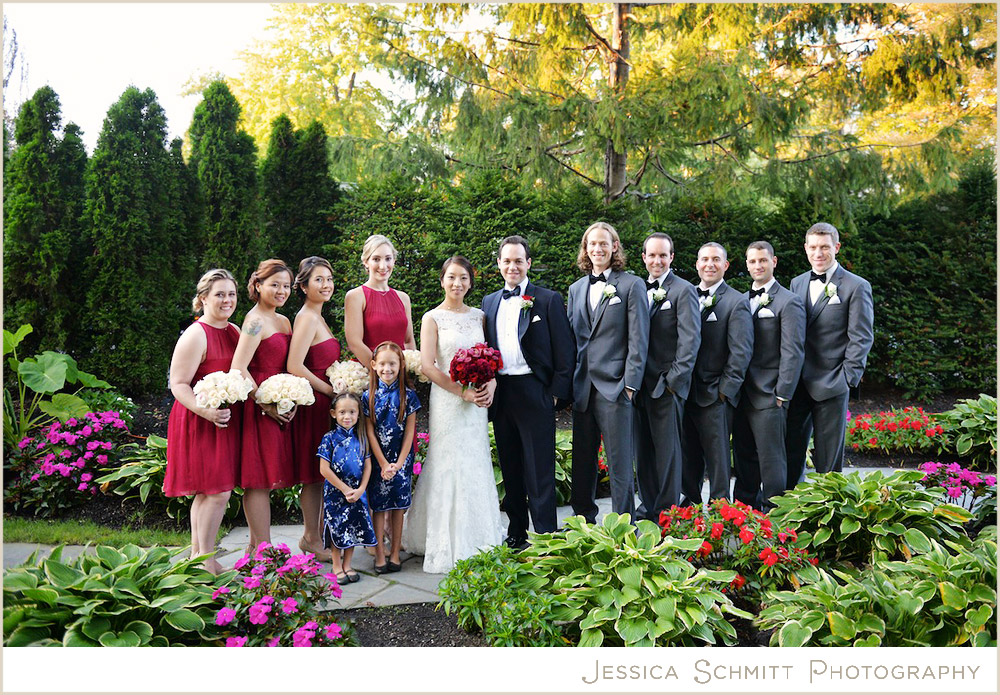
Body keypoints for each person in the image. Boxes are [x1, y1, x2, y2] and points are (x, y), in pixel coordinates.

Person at [402, 256, 503, 573]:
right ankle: (443, 541)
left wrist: (491, 385)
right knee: (447, 463)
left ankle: (479, 536)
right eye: (451, 277)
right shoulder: (432, 318)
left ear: (470, 282)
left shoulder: (480, 317)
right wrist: (462, 391)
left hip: (476, 405)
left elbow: (489, 359)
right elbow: (429, 365)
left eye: (463, 278)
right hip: (448, 400)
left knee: (475, 460)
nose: (457, 284)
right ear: (442, 280)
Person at [481, 235, 575, 548]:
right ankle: (517, 531)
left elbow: (565, 349)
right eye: (506, 261)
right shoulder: (490, 301)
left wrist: (555, 394)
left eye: (518, 260)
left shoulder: (546, 299)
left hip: (535, 389)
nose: (512, 266)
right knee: (510, 465)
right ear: (498, 264)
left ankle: (546, 532)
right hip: (502, 390)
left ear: (528, 263)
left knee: (540, 467)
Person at [567, 222, 649, 522]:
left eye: (604, 243)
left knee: (619, 463)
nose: (598, 249)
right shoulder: (575, 290)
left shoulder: (631, 285)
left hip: (616, 388)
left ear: (615, 246)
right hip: (583, 388)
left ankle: (623, 524)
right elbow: (573, 340)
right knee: (582, 462)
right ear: (586, 249)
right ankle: (583, 522)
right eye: (592, 244)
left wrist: (630, 385)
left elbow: (639, 339)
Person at [165, 269, 241, 574]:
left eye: (231, 294)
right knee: (217, 491)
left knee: (210, 492)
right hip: (199, 420)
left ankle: (198, 557)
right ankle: (205, 560)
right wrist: (205, 411)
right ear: (203, 298)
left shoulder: (234, 330)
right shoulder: (196, 334)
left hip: (222, 421)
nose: (227, 300)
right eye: (219, 294)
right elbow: (178, 383)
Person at [785, 223, 874, 481]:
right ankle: (791, 510)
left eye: (824, 247)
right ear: (805, 249)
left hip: (832, 381)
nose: (818, 253)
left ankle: (826, 515)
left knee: (828, 462)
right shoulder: (797, 283)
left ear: (836, 247)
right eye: (813, 247)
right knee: (791, 451)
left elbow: (861, 336)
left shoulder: (856, 286)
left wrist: (847, 378)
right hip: (798, 382)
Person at [731, 241, 806, 511]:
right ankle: (742, 515)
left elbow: (793, 351)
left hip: (770, 395)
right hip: (740, 394)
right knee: (743, 459)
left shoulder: (789, 301)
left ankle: (774, 518)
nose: (757, 266)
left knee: (772, 461)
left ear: (773, 262)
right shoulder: (739, 300)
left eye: (762, 260)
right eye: (752, 261)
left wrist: (782, 393)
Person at [633, 233, 701, 520]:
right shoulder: (635, 287)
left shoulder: (683, 290)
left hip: (666, 385)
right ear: (644, 257)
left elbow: (690, 340)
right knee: (643, 451)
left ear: (671, 257)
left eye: (663, 255)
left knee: (668, 453)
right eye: (652, 255)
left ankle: (667, 511)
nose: (657, 260)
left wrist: (674, 381)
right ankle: (648, 505)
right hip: (637, 385)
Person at [231, 259, 296, 552]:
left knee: (267, 476)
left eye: (286, 286)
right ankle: (264, 548)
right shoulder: (255, 321)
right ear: (258, 286)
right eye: (275, 285)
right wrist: (265, 403)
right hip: (258, 405)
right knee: (257, 479)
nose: (282, 291)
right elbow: (239, 367)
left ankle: (255, 549)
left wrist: (291, 396)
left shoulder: (283, 320)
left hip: (278, 402)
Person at [680, 242, 753, 504]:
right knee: (688, 455)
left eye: (716, 260)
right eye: (704, 259)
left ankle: (721, 511)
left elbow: (741, 353)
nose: (709, 264)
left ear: (725, 265)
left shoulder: (736, 302)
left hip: (715, 395)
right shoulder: (685, 295)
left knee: (718, 459)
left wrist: (724, 392)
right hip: (686, 392)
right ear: (697, 264)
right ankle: (688, 509)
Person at [287, 256, 341, 563]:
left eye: (329, 279)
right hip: (316, 404)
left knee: (321, 475)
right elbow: (295, 365)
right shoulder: (307, 317)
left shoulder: (318, 316)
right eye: (318, 279)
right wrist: (329, 390)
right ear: (304, 285)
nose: (326, 285)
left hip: (326, 403)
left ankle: (316, 534)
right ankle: (310, 536)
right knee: (313, 475)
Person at [362, 341, 421, 572]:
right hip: (378, 462)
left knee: (398, 507)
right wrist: (384, 463)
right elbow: (369, 432)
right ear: (374, 365)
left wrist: (398, 463)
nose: (388, 369)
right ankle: (379, 554)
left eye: (393, 364)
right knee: (379, 507)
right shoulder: (368, 397)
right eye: (383, 364)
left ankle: (395, 554)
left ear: (401, 365)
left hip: (401, 461)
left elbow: (409, 433)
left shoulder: (409, 397)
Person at [318, 392, 376, 583]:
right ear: (334, 413)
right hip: (336, 493)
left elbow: (368, 466)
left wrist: (361, 489)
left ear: (358, 414)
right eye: (342, 412)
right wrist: (344, 489)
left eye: (352, 412)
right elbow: (324, 469)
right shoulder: (330, 439)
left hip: (357, 493)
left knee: (352, 526)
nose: (347, 416)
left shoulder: (362, 438)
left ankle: (348, 564)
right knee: (338, 527)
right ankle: (336, 565)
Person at [344, 234, 417, 367]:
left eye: (388, 259)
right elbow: (355, 343)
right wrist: (382, 371)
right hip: (372, 375)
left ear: (394, 260)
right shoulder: (356, 296)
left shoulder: (403, 298)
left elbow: (408, 341)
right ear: (366, 261)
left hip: (401, 377)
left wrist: (408, 372)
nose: (383, 266)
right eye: (376, 259)